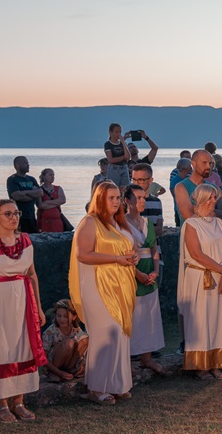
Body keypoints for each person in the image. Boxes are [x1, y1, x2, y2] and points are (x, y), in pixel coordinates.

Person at [0, 200, 47, 422]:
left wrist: (38, 307)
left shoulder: (25, 240)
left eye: (16, 213)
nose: (14, 217)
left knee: (22, 347)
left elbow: (32, 274)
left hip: (23, 302)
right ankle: (0, 404)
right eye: (8, 214)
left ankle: (19, 402)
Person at [70, 182, 137, 405]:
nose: (116, 202)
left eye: (118, 197)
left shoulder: (118, 222)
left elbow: (127, 248)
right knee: (106, 333)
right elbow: (83, 254)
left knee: (120, 333)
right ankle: (97, 387)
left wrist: (133, 257)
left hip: (122, 284)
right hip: (98, 285)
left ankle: (117, 384)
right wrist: (116, 259)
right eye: (111, 198)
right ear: (100, 199)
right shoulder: (90, 222)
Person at [178, 184, 222, 379]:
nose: (213, 201)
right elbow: (196, 254)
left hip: (220, 275)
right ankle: (200, 364)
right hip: (200, 277)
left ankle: (216, 361)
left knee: (218, 319)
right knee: (201, 319)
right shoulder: (191, 224)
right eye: (210, 198)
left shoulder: (219, 222)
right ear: (200, 200)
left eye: (214, 197)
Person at [124, 185, 165, 375]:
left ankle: (146, 358)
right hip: (132, 271)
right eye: (138, 198)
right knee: (133, 315)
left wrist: (155, 271)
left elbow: (154, 248)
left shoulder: (147, 222)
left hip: (149, 270)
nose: (142, 201)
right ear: (127, 200)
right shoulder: (121, 224)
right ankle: (127, 359)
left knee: (149, 315)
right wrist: (138, 274)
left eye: (143, 198)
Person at [40, 299, 89, 383]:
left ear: (74, 317)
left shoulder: (76, 329)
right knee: (68, 343)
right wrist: (59, 373)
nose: (62, 319)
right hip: (55, 364)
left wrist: (83, 363)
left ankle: (71, 370)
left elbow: (83, 344)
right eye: (59, 316)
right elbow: (43, 357)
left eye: (65, 316)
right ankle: (56, 373)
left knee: (85, 339)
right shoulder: (50, 332)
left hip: (68, 362)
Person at [174, 150, 214, 225]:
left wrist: (197, 209)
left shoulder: (214, 188)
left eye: (210, 163)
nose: (208, 167)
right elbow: (188, 215)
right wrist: (211, 212)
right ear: (193, 163)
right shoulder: (181, 187)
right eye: (204, 163)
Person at [6, 156, 42, 234]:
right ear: (18, 165)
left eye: (27, 163)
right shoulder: (12, 179)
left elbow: (40, 192)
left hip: (31, 216)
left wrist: (25, 192)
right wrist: (32, 195)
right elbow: (17, 196)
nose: (28, 165)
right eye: (25, 163)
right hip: (18, 217)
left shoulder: (31, 179)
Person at [130, 164, 165, 238]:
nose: (136, 183)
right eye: (134, 180)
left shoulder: (157, 202)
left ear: (150, 181)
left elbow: (159, 230)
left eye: (140, 180)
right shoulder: (128, 201)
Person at [35, 168, 67, 233]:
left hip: (57, 221)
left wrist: (47, 202)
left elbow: (63, 200)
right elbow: (41, 205)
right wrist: (56, 202)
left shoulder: (58, 188)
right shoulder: (39, 190)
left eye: (53, 175)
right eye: (50, 175)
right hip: (44, 220)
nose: (53, 177)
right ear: (44, 176)